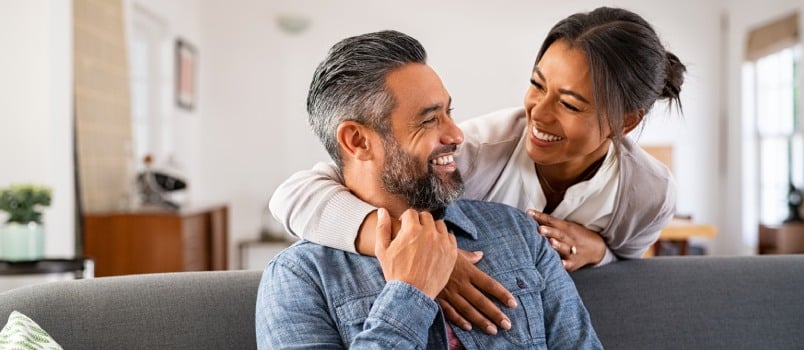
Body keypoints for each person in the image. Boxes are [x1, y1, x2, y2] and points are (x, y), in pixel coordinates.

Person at [270, 6, 685, 334]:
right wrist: (419, 252)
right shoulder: (475, 151)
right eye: (537, 84)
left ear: (624, 123)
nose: (537, 113)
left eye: (570, 104)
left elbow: (628, 264)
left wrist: (600, 252)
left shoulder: (649, 193)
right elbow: (297, 194)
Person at [256, 30, 602, 349]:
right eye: (429, 119)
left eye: (449, 112)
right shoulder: (300, 277)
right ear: (358, 140)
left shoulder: (519, 233)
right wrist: (410, 294)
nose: (456, 135)